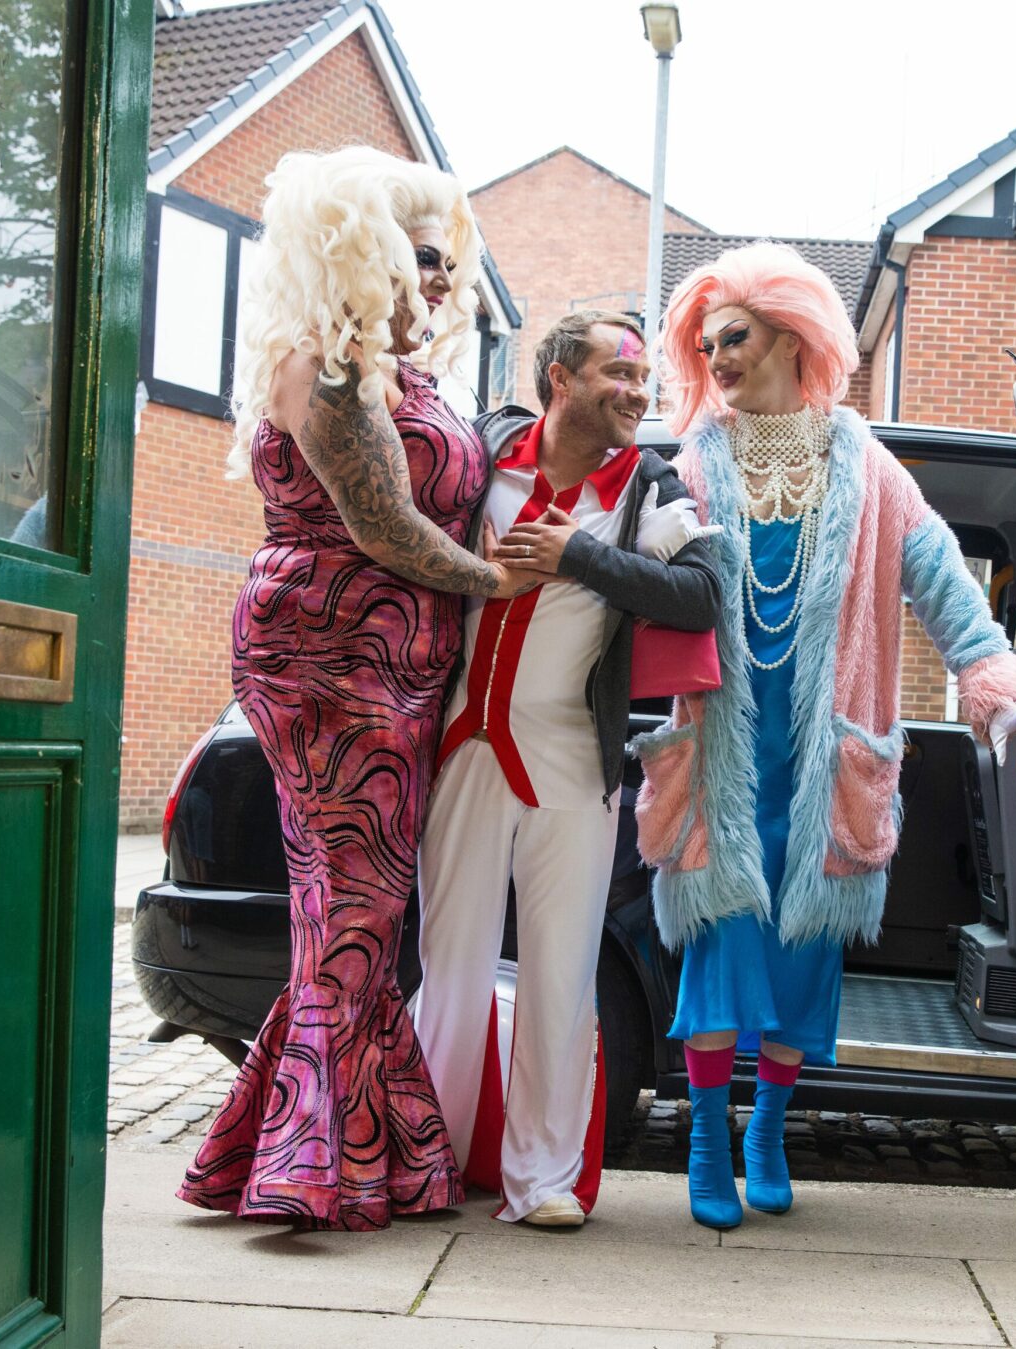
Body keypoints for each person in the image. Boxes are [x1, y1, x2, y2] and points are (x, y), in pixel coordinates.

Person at [632, 243, 1016, 1230]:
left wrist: (992, 680)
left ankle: (769, 1130)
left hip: (825, 763)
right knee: (722, 949)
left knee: (803, 955)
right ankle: (706, 1138)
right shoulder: (692, 464)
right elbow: (633, 577)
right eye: (707, 345)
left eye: (736, 337)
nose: (719, 358)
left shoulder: (868, 468)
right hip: (723, 755)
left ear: (791, 337)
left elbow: (943, 581)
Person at [178, 148, 532, 1230]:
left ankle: (362, 1154)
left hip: (398, 662)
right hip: (332, 652)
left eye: (447, 261)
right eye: (420, 257)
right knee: (358, 903)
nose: (441, 278)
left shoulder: (393, 371)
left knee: (351, 906)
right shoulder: (328, 366)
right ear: (360, 252)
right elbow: (385, 525)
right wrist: (503, 581)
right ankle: (308, 1165)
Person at [413, 310, 722, 1228]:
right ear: (559, 379)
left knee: (560, 969)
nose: (635, 392)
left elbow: (705, 594)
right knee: (449, 960)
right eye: (616, 374)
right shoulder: (482, 455)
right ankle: (427, 1157)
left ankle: (544, 1177)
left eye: (642, 380)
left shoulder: (648, 487)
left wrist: (580, 555)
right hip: (464, 744)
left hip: (572, 756)